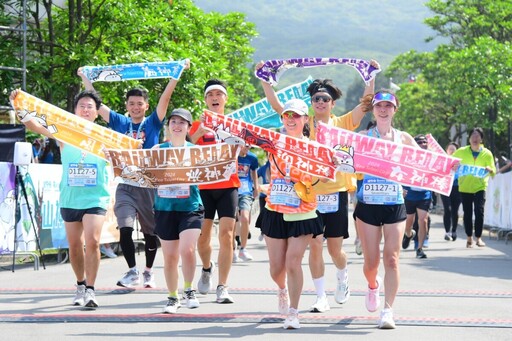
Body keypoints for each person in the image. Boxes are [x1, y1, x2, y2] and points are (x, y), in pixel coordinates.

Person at [257, 60, 379, 313]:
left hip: (335, 193)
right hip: (308, 194)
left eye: (325, 99)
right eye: (316, 99)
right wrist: (263, 78)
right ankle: (320, 295)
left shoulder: (343, 123)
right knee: (314, 244)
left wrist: (371, 76)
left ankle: (342, 274)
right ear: (311, 103)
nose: (320, 103)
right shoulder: (303, 122)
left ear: (332, 103)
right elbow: (278, 107)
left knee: (335, 250)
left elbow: (366, 105)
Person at [78, 60, 190, 288]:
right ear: (127, 105)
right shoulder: (119, 121)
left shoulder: (152, 124)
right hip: (126, 184)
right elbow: (97, 104)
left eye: (140, 103)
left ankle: (148, 271)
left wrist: (175, 75)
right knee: (126, 228)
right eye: (132, 103)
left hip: (149, 185)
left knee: (150, 233)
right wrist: (84, 77)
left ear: (146, 106)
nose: (135, 107)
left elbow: (165, 101)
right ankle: (132, 271)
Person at [11, 89, 109, 308]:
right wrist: (19, 106)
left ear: (96, 113)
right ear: (75, 110)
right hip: (70, 198)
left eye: (90, 107)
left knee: (93, 242)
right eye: (81, 106)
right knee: (75, 246)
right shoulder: (65, 132)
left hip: (96, 198)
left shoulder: (105, 136)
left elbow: (126, 155)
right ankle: (81, 285)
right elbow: (35, 126)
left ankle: (91, 290)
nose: (85, 109)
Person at [354, 90, 418, 329]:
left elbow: (424, 162)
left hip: (394, 204)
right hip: (369, 205)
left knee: (391, 259)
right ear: (373, 109)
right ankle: (373, 286)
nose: (383, 109)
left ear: (394, 110)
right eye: (379, 105)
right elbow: (343, 158)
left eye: (388, 106)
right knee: (372, 263)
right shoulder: (363, 136)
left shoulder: (404, 139)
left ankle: (388, 311)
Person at [260, 98, 324, 329]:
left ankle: (294, 313)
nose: (291, 119)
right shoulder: (273, 143)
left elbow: (325, 176)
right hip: (275, 209)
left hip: (303, 211)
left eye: (296, 116)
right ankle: (282, 289)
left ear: (305, 119)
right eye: (287, 115)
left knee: (293, 262)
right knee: (277, 268)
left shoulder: (314, 148)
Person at [189, 79, 240, 303]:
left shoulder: (235, 124)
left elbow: (246, 146)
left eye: (219, 94)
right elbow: (184, 148)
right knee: (202, 237)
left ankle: (223, 286)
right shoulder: (197, 124)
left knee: (227, 235)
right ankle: (207, 268)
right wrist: (197, 133)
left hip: (229, 185)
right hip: (204, 188)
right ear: (206, 100)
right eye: (211, 95)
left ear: (226, 99)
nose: (215, 98)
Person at [152, 108, 204, 313]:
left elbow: (210, 173)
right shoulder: (158, 150)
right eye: (173, 121)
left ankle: (189, 289)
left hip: (190, 207)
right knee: (170, 257)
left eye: (182, 122)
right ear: (168, 126)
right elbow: (146, 174)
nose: (177, 125)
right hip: (164, 208)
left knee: (187, 250)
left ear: (189, 127)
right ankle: (172, 296)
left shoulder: (196, 152)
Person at [452, 127, 496, 248]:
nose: (475, 138)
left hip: (480, 187)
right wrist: (454, 166)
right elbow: (450, 163)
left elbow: (493, 170)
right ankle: (469, 238)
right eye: (473, 136)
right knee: (467, 213)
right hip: (465, 187)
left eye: (478, 136)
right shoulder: (461, 151)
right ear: (469, 139)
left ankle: (478, 238)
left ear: (481, 139)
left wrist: (490, 169)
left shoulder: (487, 154)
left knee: (479, 211)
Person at [402, 134, 432, 259]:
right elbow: (401, 171)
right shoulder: (408, 157)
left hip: (424, 194)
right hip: (410, 194)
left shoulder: (432, 158)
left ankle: (419, 248)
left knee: (423, 220)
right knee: (409, 222)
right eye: (419, 142)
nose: (423, 144)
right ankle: (408, 234)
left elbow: (444, 168)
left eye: (425, 142)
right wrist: (402, 187)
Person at [234, 144, 259, 262]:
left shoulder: (252, 158)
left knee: (244, 218)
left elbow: (254, 172)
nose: (247, 148)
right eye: (245, 145)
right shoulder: (231, 155)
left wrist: (256, 187)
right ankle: (232, 248)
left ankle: (243, 249)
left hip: (246, 191)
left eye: (249, 146)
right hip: (232, 190)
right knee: (233, 221)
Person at [440, 142, 461, 241]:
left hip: (457, 188)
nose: (452, 151)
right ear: (446, 150)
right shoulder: (442, 161)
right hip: (445, 187)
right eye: (450, 149)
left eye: (454, 149)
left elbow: (462, 175)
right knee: (447, 209)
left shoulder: (460, 163)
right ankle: (447, 231)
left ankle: (454, 230)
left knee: (454, 210)